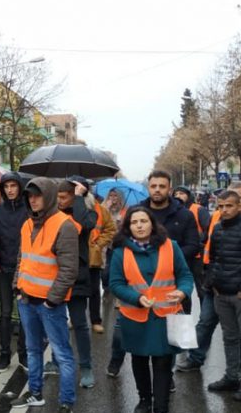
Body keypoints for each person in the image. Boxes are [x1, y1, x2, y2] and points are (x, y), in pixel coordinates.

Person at [109, 170, 198, 378]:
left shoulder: (184, 215)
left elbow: (193, 244)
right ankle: (116, 361)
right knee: (123, 331)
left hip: (169, 290)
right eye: (153, 186)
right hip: (138, 292)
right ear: (148, 187)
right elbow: (122, 248)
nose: (157, 190)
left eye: (162, 186)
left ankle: (167, 377)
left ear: (169, 188)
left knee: (169, 337)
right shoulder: (137, 211)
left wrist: (167, 258)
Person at [178, 180, 241, 372]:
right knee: (205, 322)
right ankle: (196, 358)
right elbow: (210, 246)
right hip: (217, 285)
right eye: (224, 203)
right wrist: (210, 279)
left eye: (235, 199)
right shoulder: (217, 218)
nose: (227, 206)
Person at [109, 207, 193, 413]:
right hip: (135, 316)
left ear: (152, 224)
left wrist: (183, 292)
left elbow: (185, 276)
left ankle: (161, 406)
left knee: (163, 363)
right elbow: (116, 284)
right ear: (128, 227)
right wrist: (136, 298)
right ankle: (145, 399)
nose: (139, 225)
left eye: (143, 221)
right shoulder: (120, 252)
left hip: (165, 316)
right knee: (139, 360)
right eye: (134, 222)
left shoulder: (171, 247)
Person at [9, 178, 79, 411]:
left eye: (37, 195)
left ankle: (66, 402)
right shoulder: (27, 224)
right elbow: (21, 259)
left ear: (48, 196)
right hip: (27, 300)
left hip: (49, 305)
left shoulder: (64, 225)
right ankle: (35, 392)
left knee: (62, 353)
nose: (33, 199)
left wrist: (52, 300)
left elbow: (69, 269)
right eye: (30, 195)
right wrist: (17, 287)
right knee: (33, 350)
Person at [203, 190, 241, 401]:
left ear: (239, 206)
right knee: (229, 338)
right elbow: (214, 259)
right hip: (221, 294)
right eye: (220, 206)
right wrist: (213, 284)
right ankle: (231, 377)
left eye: (228, 206)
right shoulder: (218, 229)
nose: (224, 210)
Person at [49, 177, 98, 388]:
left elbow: (84, 225)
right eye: (57, 197)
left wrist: (79, 199)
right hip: (56, 276)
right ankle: (55, 361)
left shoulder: (88, 213)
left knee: (79, 324)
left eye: (64, 197)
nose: (60, 201)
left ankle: (86, 367)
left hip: (77, 276)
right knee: (56, 323)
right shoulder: (52, 214)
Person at [0, 172, 28, 372]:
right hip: (4, 268)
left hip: (24, 269)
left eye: (13, 185)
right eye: (6, 186)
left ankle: (23, 354)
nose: (10, 189)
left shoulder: (28, 209)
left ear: (20, 187)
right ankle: (4, 354)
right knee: (5, 312)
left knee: (23, 314)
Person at [89, 193, 117, 334]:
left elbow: (111, 229)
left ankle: (95, 320)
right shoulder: (71, 208)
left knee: (94, 289)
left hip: (94, 256)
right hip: (74, 256)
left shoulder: (101, 210)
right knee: (74, 291)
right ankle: (75, 318)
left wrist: (98, 245)